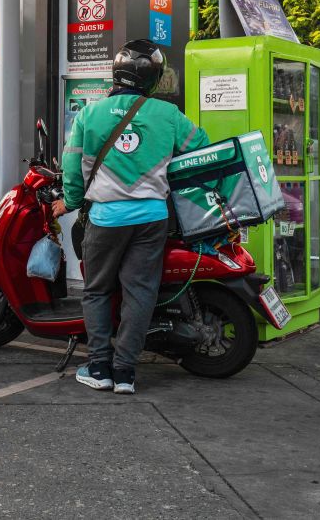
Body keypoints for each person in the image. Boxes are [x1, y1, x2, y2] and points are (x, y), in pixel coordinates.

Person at [52, 39, 209, 395]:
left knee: (97, 292)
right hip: (152, 218)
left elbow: (72, 169)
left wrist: (72, 201)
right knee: (140, 293)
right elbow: (201, 146)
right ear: (154, 79)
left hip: (106, 219)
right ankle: (125, 373)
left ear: (116, 73)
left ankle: (100, 367)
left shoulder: (89, 114)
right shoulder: (168, 115)